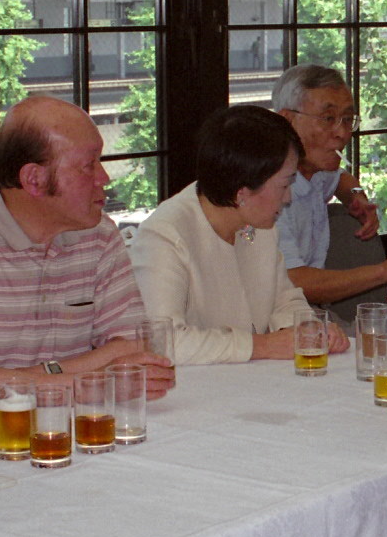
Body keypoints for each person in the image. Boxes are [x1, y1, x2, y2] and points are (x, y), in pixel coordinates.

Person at [0, 96, 172, 431]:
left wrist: (22, 379)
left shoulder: (99, 235)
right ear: (34, 179)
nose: (104, 177)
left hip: (77, 427)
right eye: (88, 165)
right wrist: (96, 380)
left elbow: (134, 347)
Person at [130, 105, 351, 365]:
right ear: (242, 193)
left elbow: (283, 298)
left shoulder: (257, 223)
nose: (288, 197)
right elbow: (163, 342)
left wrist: (307, 327)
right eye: (284, 184)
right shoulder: (164, 236)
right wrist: (264, 345)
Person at [271, 64, 387, 341]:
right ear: (287, 120)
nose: (342, 133)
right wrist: (385, 271)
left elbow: (341, 178)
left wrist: (356, 196)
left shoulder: (315, 169)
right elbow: (294, 282)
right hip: (276, 321)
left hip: (313, 313)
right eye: (328, 118)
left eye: (347, 119)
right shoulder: (269, 190)